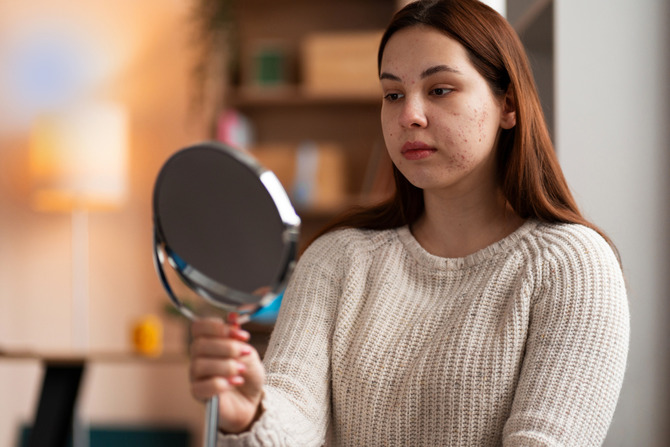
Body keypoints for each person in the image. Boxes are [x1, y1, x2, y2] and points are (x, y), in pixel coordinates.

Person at [188, 0, 629, 445]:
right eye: (393, 94)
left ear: (508, 105)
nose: (408, 116)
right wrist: (249, 416)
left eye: (440, 89)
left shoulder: (572, 266)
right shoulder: (335, 259)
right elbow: (294, 415)